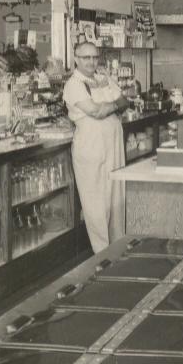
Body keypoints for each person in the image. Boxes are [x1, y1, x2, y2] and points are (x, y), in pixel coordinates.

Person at [63, 42, 129, 254]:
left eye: (94, 57)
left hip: (113, 145)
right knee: (96, 202)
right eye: (85, 58)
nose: (91, 62)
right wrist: (113, 105)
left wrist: (110, 105)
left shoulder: (103, 78)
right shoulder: (74, 84)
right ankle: (102, 253)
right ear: (76, 59)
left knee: (116, 197)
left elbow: (124, 100)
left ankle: (118, 248)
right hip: (91, 146)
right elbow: (95, 112)